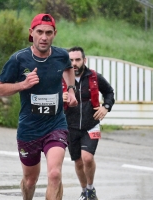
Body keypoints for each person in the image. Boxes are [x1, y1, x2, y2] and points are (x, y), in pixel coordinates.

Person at [0, 13, 78, 200]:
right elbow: (0, 89)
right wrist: (22, 85)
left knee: (55, 174)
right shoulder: (18, 59)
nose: (44, 37)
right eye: (39, 32)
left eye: (48, 33)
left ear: (54, 34)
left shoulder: (61, 55)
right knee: (30, 181)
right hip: (29, 129)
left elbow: (68, 68)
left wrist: (71, 90)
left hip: (55, 124)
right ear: (31, 32)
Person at [64, 46, 115, 200]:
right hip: (70, 126)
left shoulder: (94, 76)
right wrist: (60, 98)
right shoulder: (62, 78)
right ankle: (84, 190)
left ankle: (91, 189)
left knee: (87, 158)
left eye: (77, 60)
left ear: (84, 60)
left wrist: (106, 107)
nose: (74, 63)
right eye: (71, 60)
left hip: (91, 124)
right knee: (79, 162)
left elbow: (109, 92)